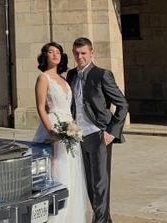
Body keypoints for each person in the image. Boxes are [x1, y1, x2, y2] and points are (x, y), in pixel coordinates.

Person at [66, 37, 129, 223]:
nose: (80, 57)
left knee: (100, 184)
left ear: (92, 53)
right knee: (90, 185)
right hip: (78, 135)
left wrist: (112, 132)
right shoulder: (71, 75)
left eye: (84, 53)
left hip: (98, 133)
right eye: (77, 53)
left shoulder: (102, 74)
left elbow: (122, 104)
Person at [32, 42, 88, 222]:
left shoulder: (64, 79)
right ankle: (56, 217)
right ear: (45, 56)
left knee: (71, 171)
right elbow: (41, 107)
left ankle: (70, 216)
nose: (55, 55)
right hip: (54, 127)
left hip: (69, 128)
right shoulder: (43, 78)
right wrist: (51, 130)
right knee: (57, 170)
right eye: (51, 52)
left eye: (58, 52)